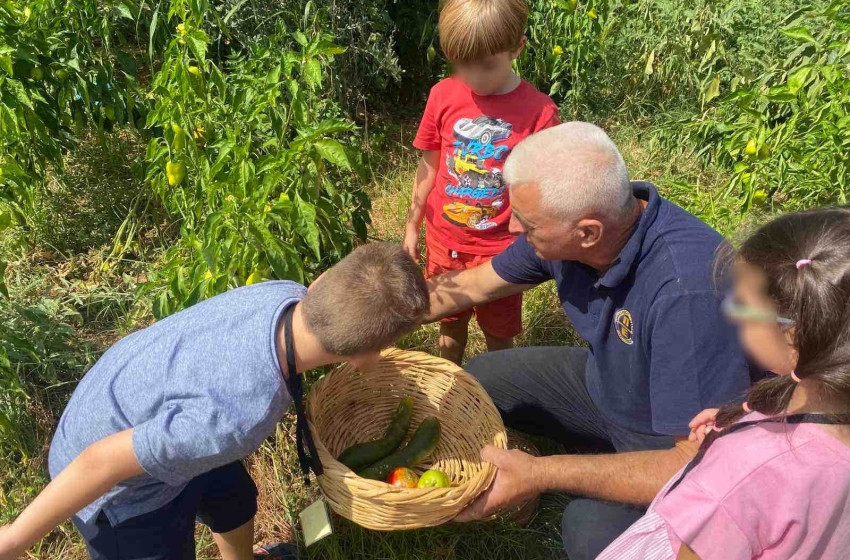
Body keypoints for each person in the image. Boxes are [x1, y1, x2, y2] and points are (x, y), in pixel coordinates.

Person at [427, 122, 752, 559]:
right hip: (610, 389)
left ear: (587, 232)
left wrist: (541, 474)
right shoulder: (568, 231)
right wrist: (379, 313)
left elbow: (698, 463)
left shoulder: (688, 292)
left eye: (527, 223)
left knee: (587, 531)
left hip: (671, 446)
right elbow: (475, 286)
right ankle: (598, 453)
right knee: (480, 377)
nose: (513, 229)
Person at [0, 243, 429, 560]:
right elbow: (102, 463)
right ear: (365, 358)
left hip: (129, 401)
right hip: (115, 494)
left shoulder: (283, 294)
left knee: (234, 495)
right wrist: (16, 538)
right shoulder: (238, 416)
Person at [597, 207, 850, 560]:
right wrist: (747, 419)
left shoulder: (744, 472)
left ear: (791, 337)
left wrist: (740, 447)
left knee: (582, 522)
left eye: (743, 305)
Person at [403, 0, 559, 365]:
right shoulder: (442, 95)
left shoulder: (539, 113)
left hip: (501, 252)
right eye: (462, 66)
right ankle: (453, 386)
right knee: (448, 324)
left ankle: (499, 398)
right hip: (445, 242)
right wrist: (412, 225)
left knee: (499, 334)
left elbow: (542, 189)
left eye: (487, 65)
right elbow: (429, 167)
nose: (474, 78)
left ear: (517, 47)